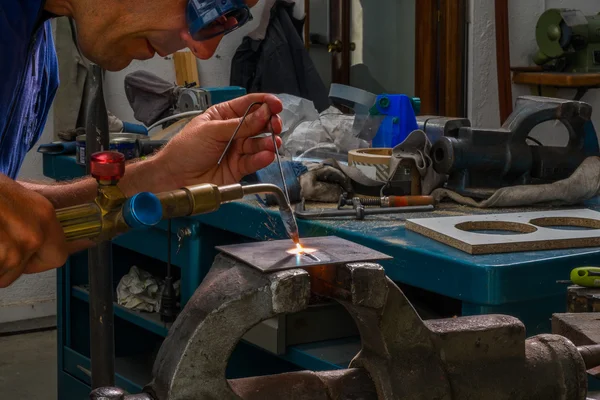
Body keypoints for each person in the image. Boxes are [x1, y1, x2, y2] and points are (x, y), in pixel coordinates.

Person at [0, 0, 282, 287]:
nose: (204, 50)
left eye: (229, 18)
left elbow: (20, 223)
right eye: (205, 4)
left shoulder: (38, 62)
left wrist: (164, 174)